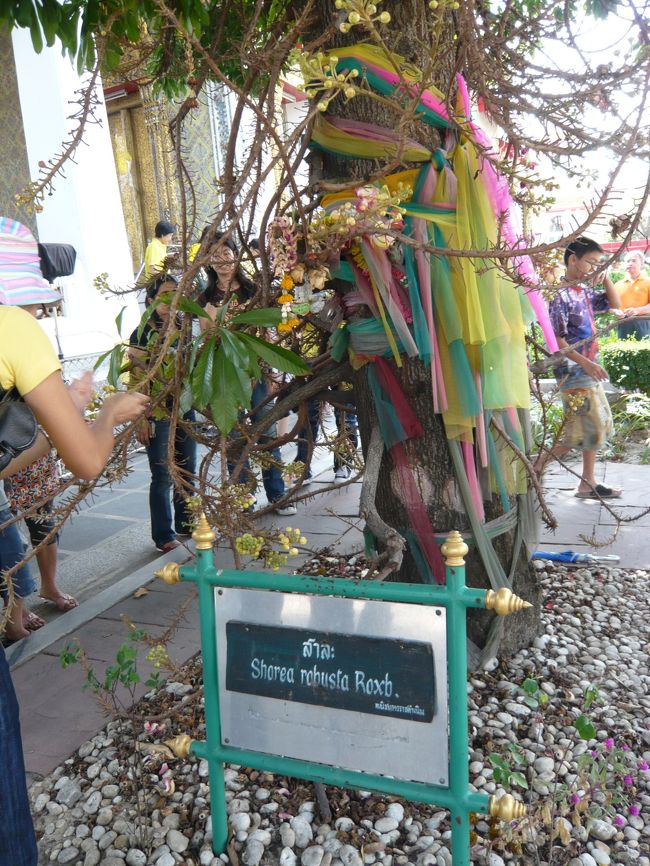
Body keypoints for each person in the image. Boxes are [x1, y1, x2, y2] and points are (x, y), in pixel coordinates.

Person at [0, 216, 148, 866]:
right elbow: (87, 461)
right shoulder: (14, 330)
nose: (41, 305)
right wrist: (106, 413)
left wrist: (62, 414)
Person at [199, 232, 296, 516]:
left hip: (260, 375)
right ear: (207, 261)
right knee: (235, 437)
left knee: (266, 434)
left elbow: (269, 334)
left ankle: (277, 495)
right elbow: (206, 341)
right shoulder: (204, 298)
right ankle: (244, 498)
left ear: (235, 254)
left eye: (225, 253)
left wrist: (272, 374)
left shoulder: (254, 291)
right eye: (214, 256)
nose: (221, 261)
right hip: (226, 380)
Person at [534, 236, 622, 499]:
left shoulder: (582, 291)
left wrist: (605, 277)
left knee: (593, 427)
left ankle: (588, 482)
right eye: (591, 262)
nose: (595, 267)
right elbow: (558, 342)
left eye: (599, 263)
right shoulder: (558, 294)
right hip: (573, 373)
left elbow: (615, 305)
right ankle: (535, 467)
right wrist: (587, 363)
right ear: (573, 260)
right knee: (580, 430)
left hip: (587, 370)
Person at [129, 275, 197, 552]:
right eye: (164, 295)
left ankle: (186, 523)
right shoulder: (141, 333)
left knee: (188, 470)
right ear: (150, 300)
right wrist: (140, 418)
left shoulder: (184, 327)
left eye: (175, 295)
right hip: (156, 412)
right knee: (162, 476)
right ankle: (163, 535)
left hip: (184, 410)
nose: (170, 301)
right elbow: (135, 378)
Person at [612, 251, 650, 339]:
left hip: (643, 323)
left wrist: (637, 310)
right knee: (624, 351)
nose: (630, 263)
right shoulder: (618, 285)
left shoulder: (648, 282)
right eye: (628, 261)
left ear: (642, 263)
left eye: (634, 261)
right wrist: (615, 311)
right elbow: (611, 305)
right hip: (623, 323)